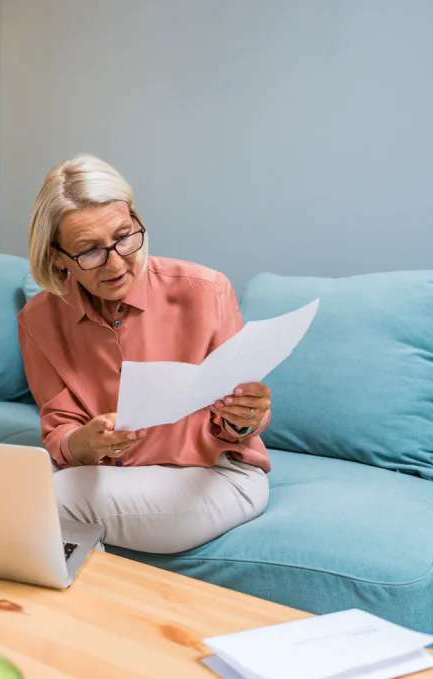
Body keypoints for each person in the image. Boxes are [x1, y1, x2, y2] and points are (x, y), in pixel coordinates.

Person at [18, 154, 271, 553]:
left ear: (136, 219)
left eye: (124, 236)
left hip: (214, 474)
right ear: (57, 257)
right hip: (104, 472)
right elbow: (61, 434)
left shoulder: (205, 290)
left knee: (53, 498)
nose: (116, 262)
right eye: (89, 251)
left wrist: (244, 418)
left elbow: (237, 425)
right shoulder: (38, 320)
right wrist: (90, 439)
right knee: (4, 488)